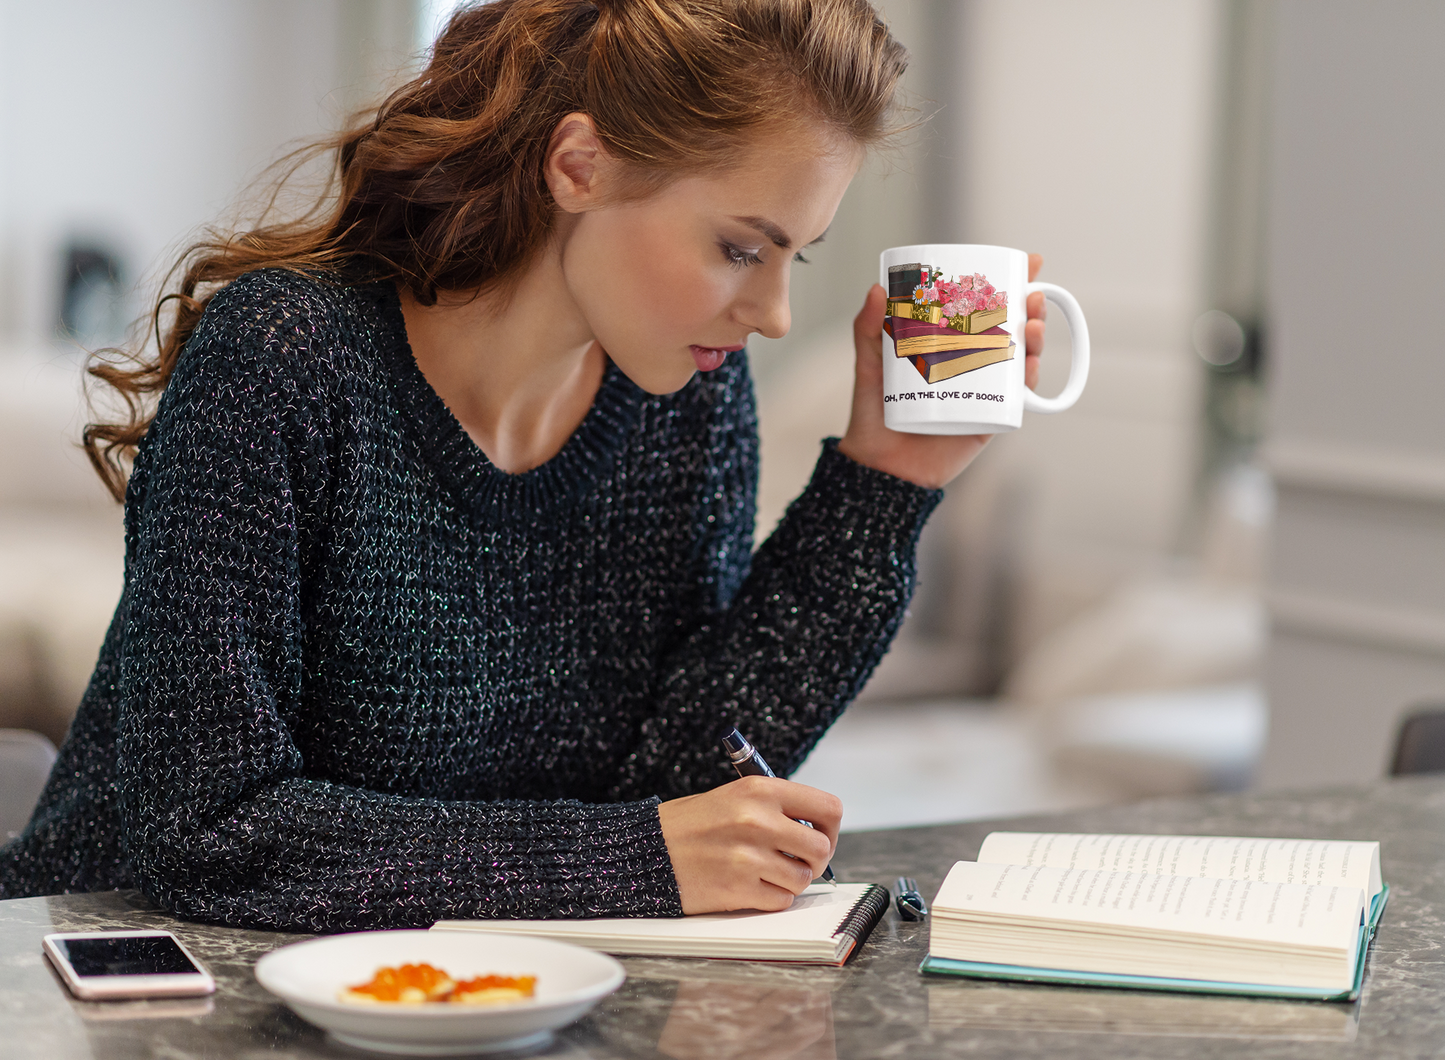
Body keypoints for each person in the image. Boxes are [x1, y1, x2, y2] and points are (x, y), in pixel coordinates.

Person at [0, 0, 1044, 931]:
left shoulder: (686, 392)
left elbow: (687, 779)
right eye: (739, 247)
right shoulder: (283, 358)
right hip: (112, 984)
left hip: (461, 998)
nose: (772, 314)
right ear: (578, 164)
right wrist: (633, 856)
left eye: (795, 256)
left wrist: (883, 479)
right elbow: (211, 833)